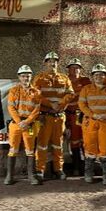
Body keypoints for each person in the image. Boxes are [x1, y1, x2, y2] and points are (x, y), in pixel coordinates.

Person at [32, 52, 75, 181]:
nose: (52, 63)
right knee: (42, 145)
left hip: (59, 117)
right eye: (49, 61)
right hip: (44, 117)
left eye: (55, 61)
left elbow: (71, 94)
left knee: (58, 145)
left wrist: (60, 103)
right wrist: (50, 104)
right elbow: (35, 95)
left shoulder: (64, 78)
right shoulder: (39, 78)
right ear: (45, 63)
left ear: (58, 63)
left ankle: (59, 169)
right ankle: (40, 170)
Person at [78, 64, 106, 185]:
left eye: (101, 74)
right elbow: (82, 105)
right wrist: (93, 115)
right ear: (92, 76)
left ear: (105, 76)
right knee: (90, 147)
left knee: (105, 148)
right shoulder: (86, 89)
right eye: (96, 74)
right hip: (90, 122)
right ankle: (89, 174)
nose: (98, 77)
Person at [4, 65, 42, 185]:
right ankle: (9, 176)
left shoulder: (36, 92)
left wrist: (27, 121)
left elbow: (37, 109)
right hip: (16, 124)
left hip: (29, 125)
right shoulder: (14, 91)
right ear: (19, 77)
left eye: (28, 76)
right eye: (23, 76)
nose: (26, 78)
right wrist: (20, 122)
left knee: (30, 150)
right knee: (13, 149)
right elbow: (10, 107)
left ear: (31, 77)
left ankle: (31, 176)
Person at [65, 58, 91, 175]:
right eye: (72, 67)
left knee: (86, 140)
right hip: (71, 116)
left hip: (85, 115)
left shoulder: (85, 81)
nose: (75, 70)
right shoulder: (65, 81)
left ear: (80, 69)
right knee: (74, 141)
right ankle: (76, 166)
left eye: (77, 67)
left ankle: (87, 167)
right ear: (68, 69)